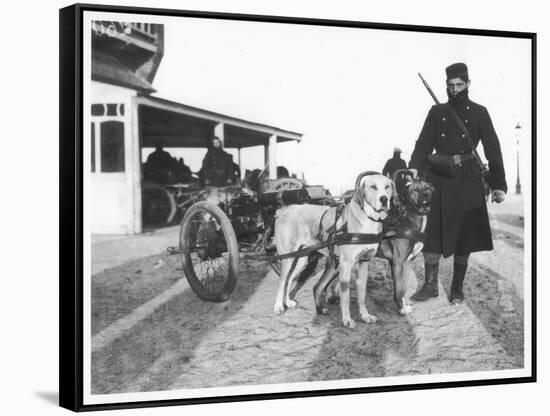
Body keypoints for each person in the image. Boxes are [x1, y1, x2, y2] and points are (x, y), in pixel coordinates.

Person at [408, 62, 507, 304]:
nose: (454, 90)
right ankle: (430, 285)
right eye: (450, 85)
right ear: (446, 85)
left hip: (467, 178)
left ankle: (457, 287)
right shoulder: (437, 112)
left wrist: (498, 184)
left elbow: (493, 149)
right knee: (431, 233)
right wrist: (414, 167)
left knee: (465, 234)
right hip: (439, 178)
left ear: (468, 84)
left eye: (459, 85)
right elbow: (423, 144)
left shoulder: (479, 112)